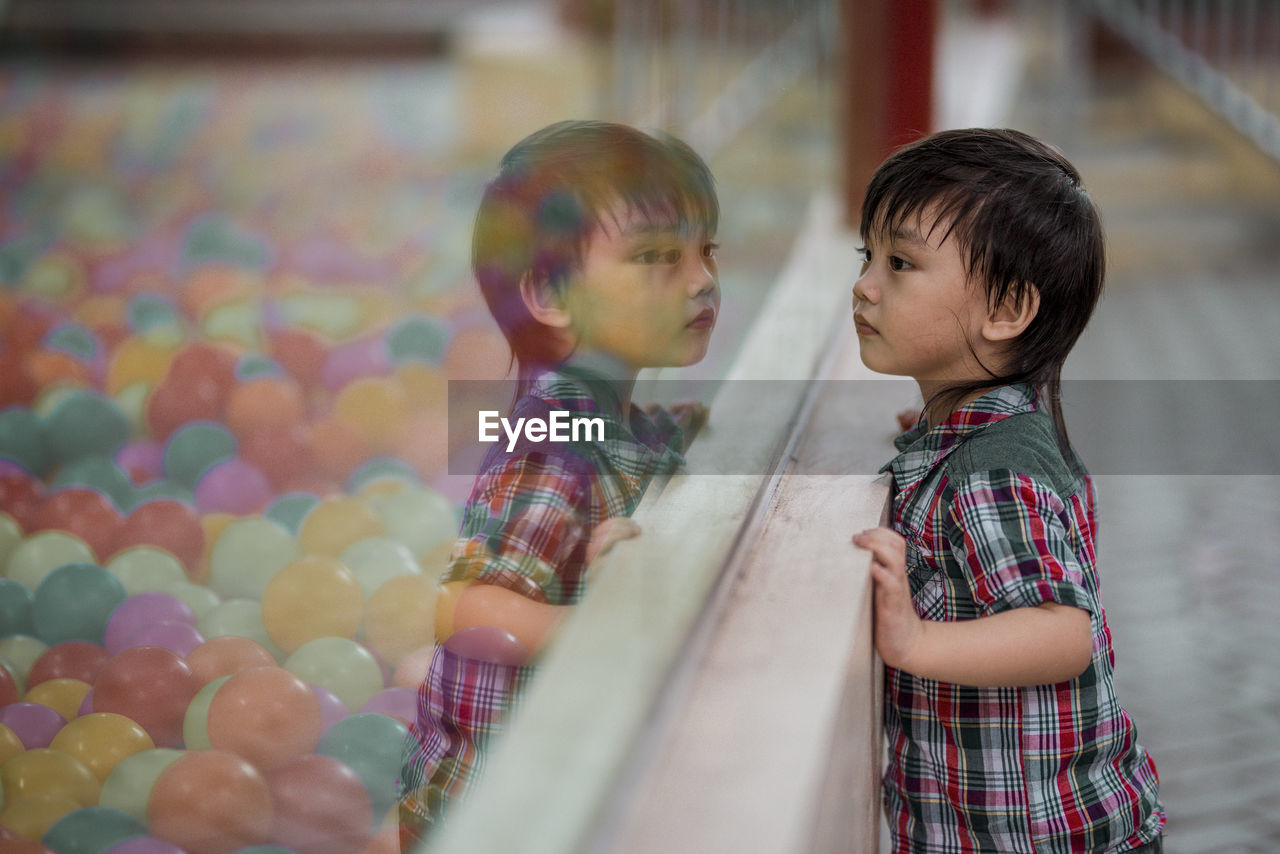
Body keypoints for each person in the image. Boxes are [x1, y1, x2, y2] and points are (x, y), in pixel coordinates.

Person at [399, 120, 719, 850]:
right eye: (657, 258)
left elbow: (634, 443)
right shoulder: (554, 442)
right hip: (497, 805)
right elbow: (461, 603)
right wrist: (597, 634)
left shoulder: (597, 413)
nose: (702, 279)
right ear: (549, 293)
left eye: (707, 251)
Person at [850, 129, 1164, 853]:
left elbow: (1064, 633)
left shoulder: (991, 471)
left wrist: (914, 639)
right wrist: (929, 432)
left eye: (900, 263)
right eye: (866, 256)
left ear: (1007, 310)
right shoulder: (993, 434)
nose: (864, 285)